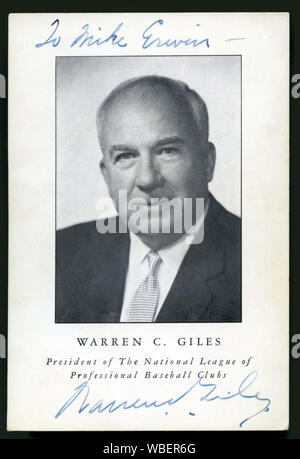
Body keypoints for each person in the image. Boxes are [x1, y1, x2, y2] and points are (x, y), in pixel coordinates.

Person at [55, 75, 241, 323]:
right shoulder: (61, 254)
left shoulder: (259, 261)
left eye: (168, 151)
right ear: (107, 175)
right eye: (126, 156)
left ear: (207, 162)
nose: (147, 179)